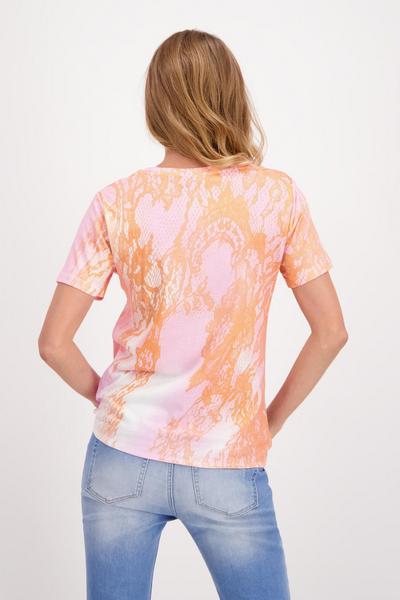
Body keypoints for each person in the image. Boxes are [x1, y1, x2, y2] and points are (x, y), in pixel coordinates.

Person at [38, 29, 348, 600]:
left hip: (120, 455)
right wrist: (268, 423)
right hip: (226, 457)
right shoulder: (276, 197)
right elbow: (331, 332)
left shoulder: (117, 201)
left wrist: (110, 399)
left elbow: (53, 343)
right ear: (231, 94)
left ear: (156, 103)